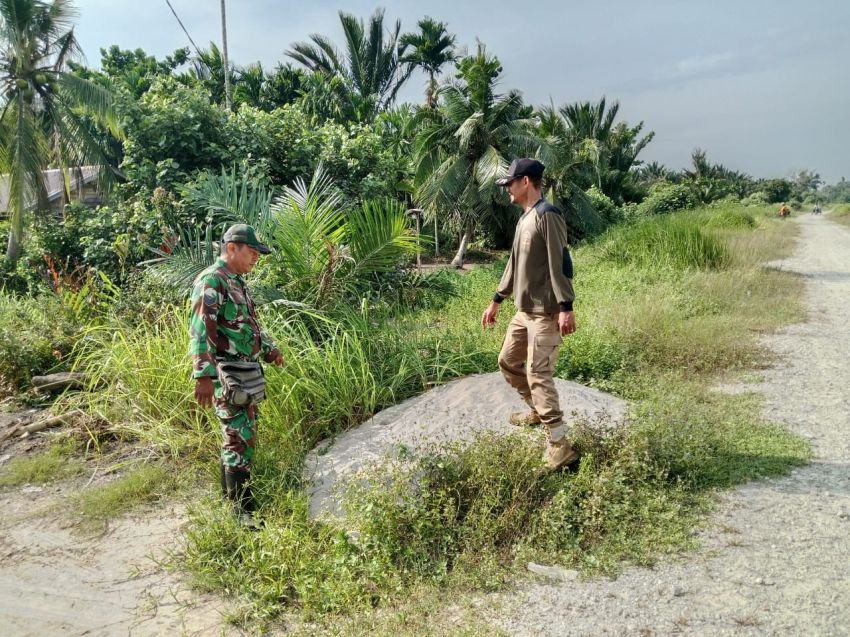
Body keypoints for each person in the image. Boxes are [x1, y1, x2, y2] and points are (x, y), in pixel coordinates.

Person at [481, 158, 580, 471]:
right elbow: (513, 264)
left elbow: (560, 262)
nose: (507, 189)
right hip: (523, 313)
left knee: (539, 375)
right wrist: (497, 300)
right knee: (508, 362)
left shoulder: (547, 215)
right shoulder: (524, 218)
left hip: (545, 313)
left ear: (526, 181)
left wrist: (566, 307)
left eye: (510, 183)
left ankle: (559, 445)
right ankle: (536, 410)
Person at [189, 223, 284, 526]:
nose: (256, 257)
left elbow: (249, 324)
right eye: (253, 252)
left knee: (238, 436)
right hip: (226, 374)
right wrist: (203, 376)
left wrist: (270, 350)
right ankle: (242, 513)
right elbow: (200, 330)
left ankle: (229, 501)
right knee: (240, 438)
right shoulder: (212, 281)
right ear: (232, 248)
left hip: (245, 371)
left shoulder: (236, 281)